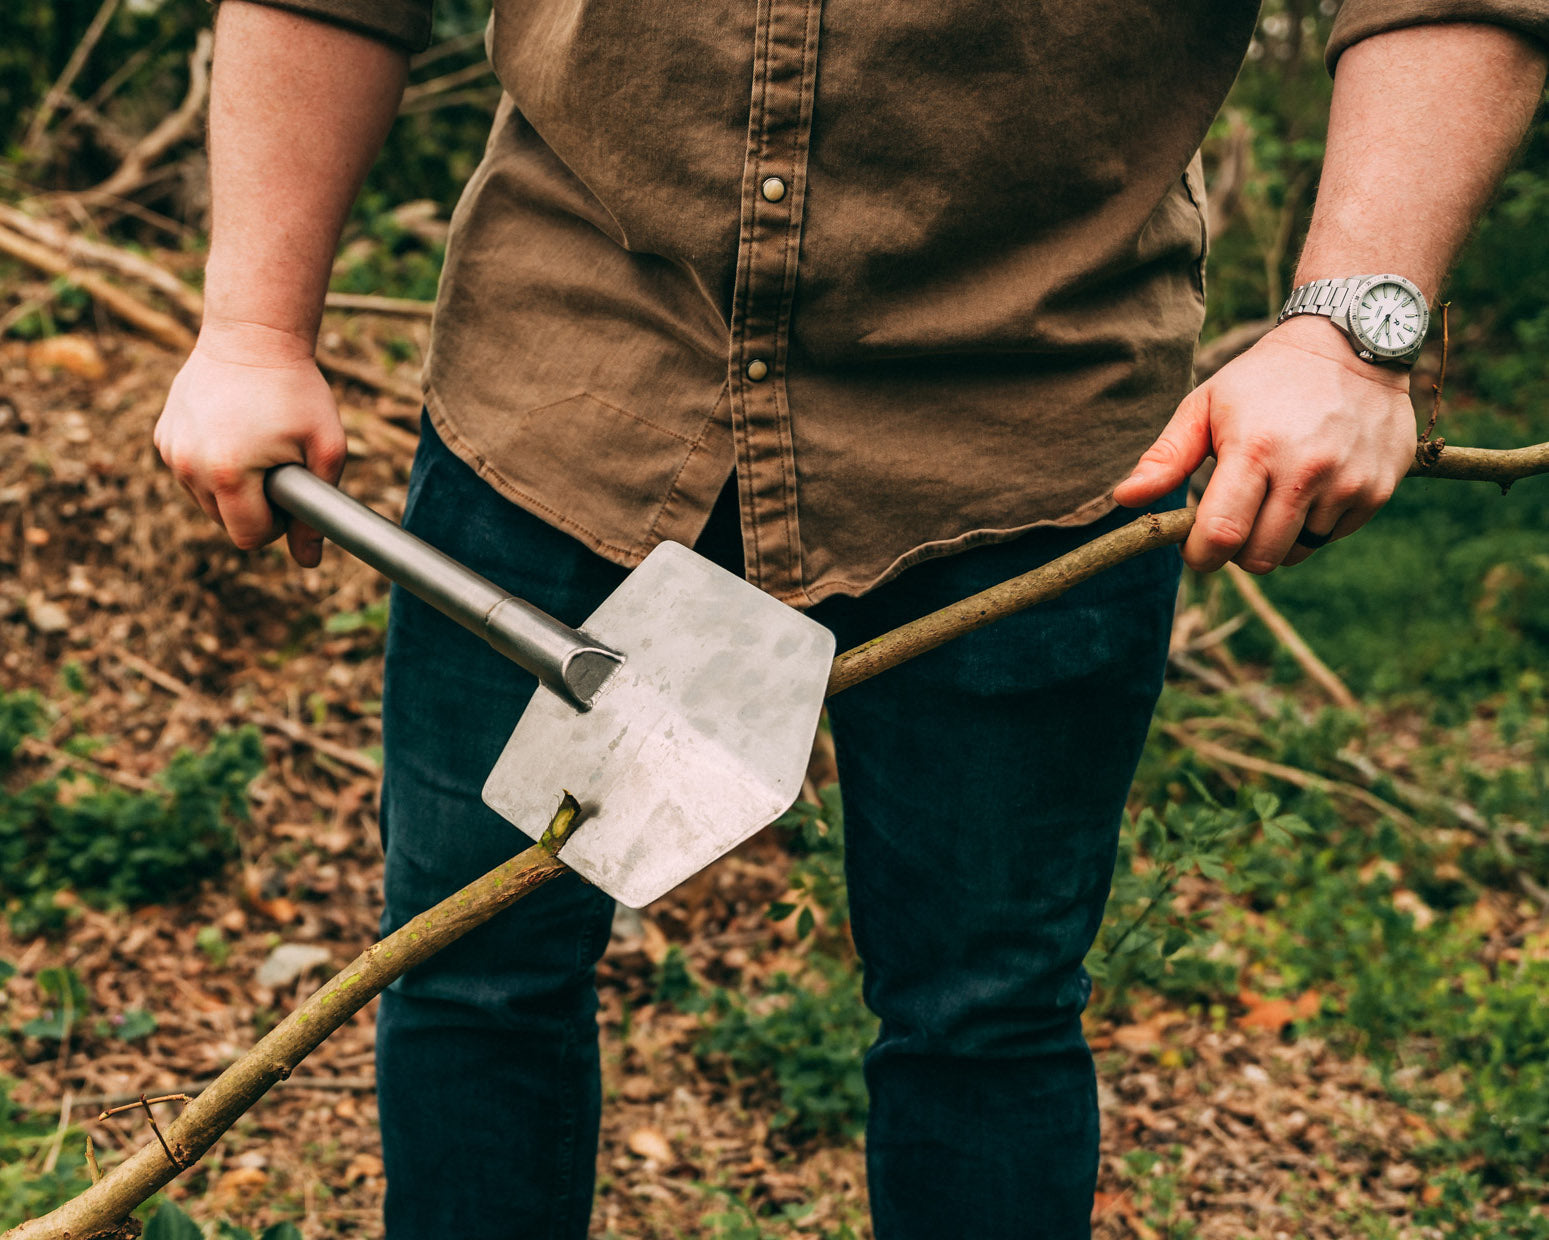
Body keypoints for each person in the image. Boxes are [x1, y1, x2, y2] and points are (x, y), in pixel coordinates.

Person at [154, 3, 1549, 1236]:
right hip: (571, 398)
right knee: (473, 974)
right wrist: (253, 331)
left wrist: (1348, 332)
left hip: (1028, 441)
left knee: (982, 1021)